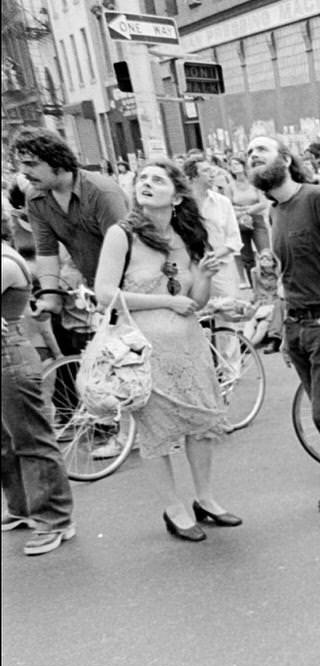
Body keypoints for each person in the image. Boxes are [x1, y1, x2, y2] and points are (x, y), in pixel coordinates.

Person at [93, 160, 238, 542]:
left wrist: (203, 279)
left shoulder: (187, 234)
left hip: (190, 345)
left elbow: (194, 301)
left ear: (176, 196)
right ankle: (174, 508)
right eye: (142, 179)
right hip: (144, 351)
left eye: (157, 179)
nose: (147, 184)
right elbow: (105, 292)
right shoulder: (121, 235)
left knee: (201, 423)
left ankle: (205, 499)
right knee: (156, 433)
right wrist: (165, 303)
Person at [247, 135, 320, 525]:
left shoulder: (315, 197)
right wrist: (283, 329)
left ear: (284, 158)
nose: (253, 156)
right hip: (298, 324)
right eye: (249, 154)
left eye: (261, 150)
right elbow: (283, 277)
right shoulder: (274, 212)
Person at [15, 129, 128, 356]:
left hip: (127, 286)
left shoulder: (101, 192)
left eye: (31, 164)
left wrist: (109, 296)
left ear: (57, 161)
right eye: (22, 164)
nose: (24, 172)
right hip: (93, 291)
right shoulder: (35, 196)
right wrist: (50, 298)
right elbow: (46, 251)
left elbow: (127, 251)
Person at [1, 214, 75, 555]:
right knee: (6, 442)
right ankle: (22, 507)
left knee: (31, 439)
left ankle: (55, 519)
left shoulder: (4, 260)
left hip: (10, 356)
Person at [182, 154, 243, 300]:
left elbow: (234, 239)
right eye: (205, 171)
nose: (212, 174)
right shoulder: (181, 205)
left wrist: (212, 256)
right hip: (191, 268)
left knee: (228, 310)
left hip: (221, 268)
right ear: (193, 177)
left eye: (211, 170)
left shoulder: (223, 203)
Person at [229, 156, 270, 288]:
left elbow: (263, 203)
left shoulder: (254, 183)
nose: (234, 166)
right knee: (246, 257)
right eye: (231, 165)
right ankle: (255, 287)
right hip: (239, 221)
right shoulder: (230, 186)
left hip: (256, 220)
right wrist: (242, 213)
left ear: (243, 165)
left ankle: (269, 284)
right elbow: (229, 205)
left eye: (237, 163)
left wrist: (247, 211)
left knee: (265, 252)